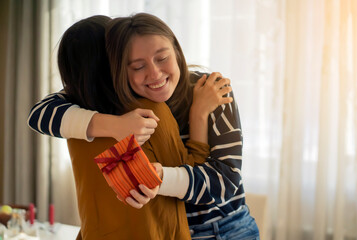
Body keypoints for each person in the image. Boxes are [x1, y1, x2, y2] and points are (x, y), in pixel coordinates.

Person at [28, 13, 260, 240]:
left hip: (224, 229)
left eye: (162, 58)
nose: (154, 73)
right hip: (171, 228)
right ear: (116, 67)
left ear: (177, 51)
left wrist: (197, 115)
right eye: (137, 66)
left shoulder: (208, 90)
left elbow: (225, 184)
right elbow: (38, 114)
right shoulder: (107, 106)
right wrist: (115, 125)